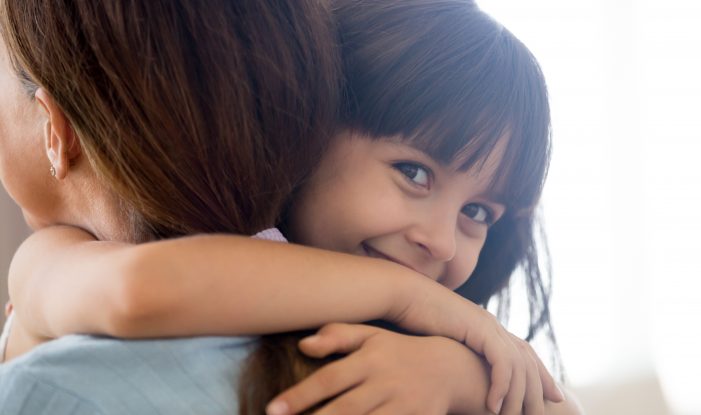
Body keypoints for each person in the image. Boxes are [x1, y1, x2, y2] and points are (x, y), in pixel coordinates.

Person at [0, 0, 579, 414]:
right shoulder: (59, 254)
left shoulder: (431, 342)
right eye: (414, 173)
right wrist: (412, 298)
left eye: (477, 213)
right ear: (308, 127)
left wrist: (464, 378)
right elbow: (138, 291)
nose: (444, 243)